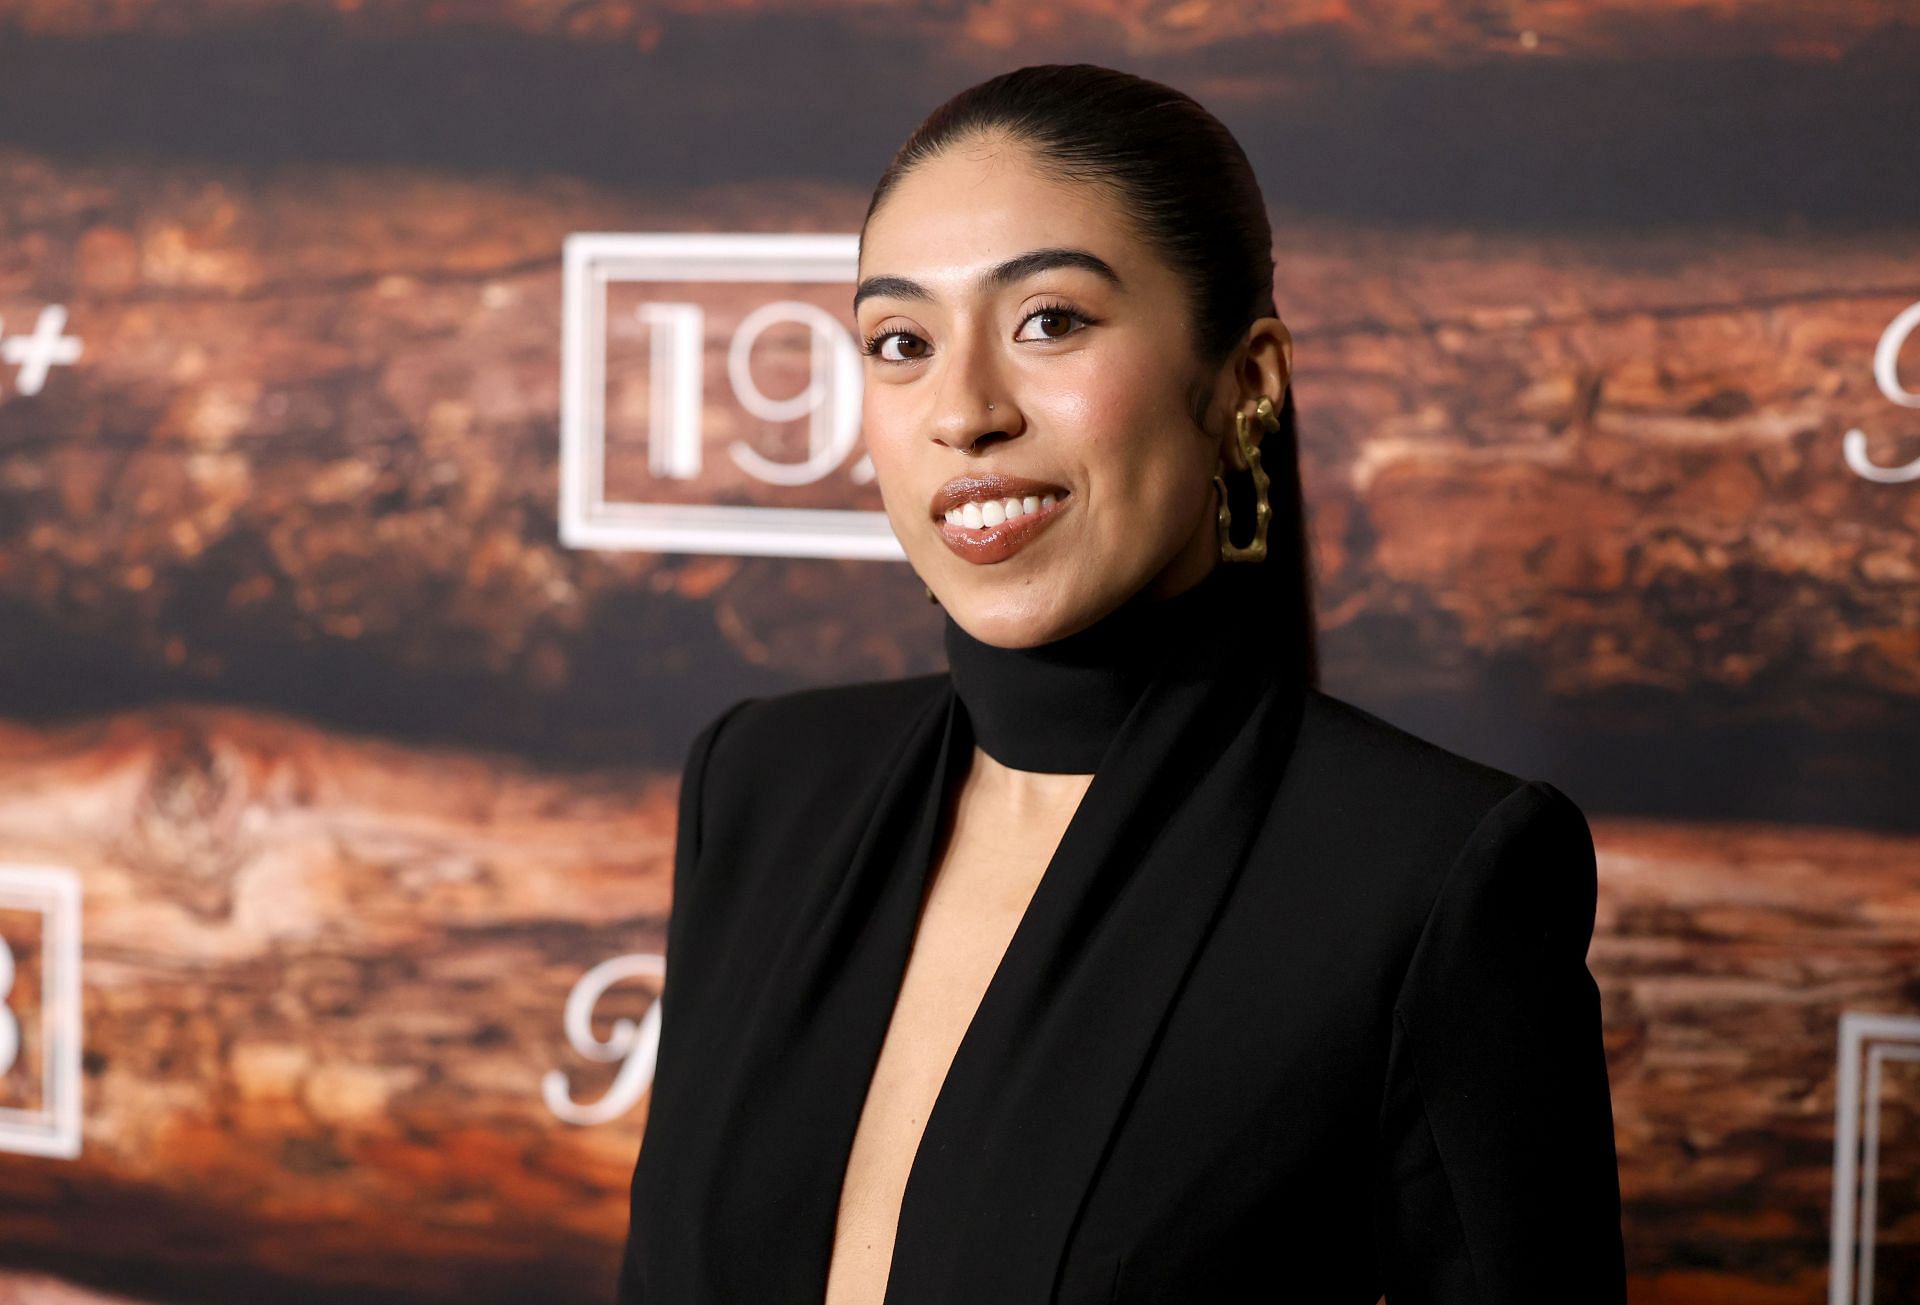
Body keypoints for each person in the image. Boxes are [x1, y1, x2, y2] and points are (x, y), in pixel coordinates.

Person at [618, 63, 1626, 1305]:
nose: (964, 411)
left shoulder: (1433, 874)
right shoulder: (761, 789)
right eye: (901, 342)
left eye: (1049, 320)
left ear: (1246, 380)